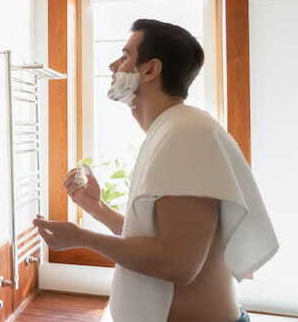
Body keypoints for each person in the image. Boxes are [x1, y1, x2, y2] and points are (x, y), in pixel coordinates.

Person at [34, 19, 278, 322]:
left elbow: (178, 264)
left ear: (150, 70)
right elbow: (159, 240)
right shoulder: (171, 130)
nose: (113, 65)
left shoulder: (187, 133)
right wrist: (96, 209)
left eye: (124, 56)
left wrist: (83, 238)